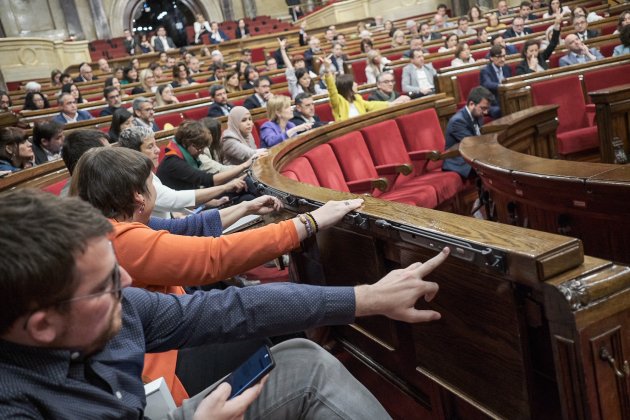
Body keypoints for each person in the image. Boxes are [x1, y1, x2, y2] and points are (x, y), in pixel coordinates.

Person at [0, 183, 450, 419]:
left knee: (300, 360)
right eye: (105, 283)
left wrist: (369, 297)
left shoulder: (124, 306)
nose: (128, 279)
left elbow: (237, 309)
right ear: (42, 326)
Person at [118, 126, 247, 218]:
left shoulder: (146, 173)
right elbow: (175, 198)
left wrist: (176, 213)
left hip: (175, 218)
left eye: (155, 144)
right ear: (134, 153)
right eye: (150, 146)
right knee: (244, 207)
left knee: (242, 206)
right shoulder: (137, 179)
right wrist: (225, 187)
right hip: (164, 233)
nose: (158, 150)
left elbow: (163, 204)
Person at [157, 120, 250, 192]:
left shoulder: (186, 155)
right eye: (200, 148)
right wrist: (245, 165)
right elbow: (207, 179)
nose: (201, 152)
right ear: (189, 144)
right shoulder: (174, 162)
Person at [324, 59, 409, 121]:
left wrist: (391, 104)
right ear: (347, 86)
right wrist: (327, 70)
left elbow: (372, 105)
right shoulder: (338, 101)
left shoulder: (357, 98)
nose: (356, 84)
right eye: (353, 83)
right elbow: (332, 90)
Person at [443, 86, 494, 178]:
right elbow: (473, 144)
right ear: (471, 104)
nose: (486, 112)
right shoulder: (458, 121)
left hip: (472, 155)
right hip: (459, 162)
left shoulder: (478, 115)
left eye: (487, 108)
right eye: (483, 108)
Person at [480, 45, 512, 118]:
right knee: (501, 110)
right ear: (491, 58)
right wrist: (502, 86)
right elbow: (488, 84)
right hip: (493, 103)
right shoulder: (485, 71)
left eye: (504, 56)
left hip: (507, 99)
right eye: (499, 57)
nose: (503, 59)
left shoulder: (506, 67)